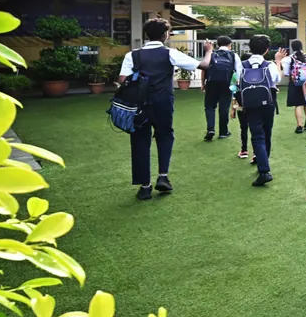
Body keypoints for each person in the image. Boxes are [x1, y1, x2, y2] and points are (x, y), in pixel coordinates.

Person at [118, 18, 213, 200]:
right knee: (164, 135)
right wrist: (208, 52)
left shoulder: (133, 55)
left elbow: (123, 79)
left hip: (138, 103)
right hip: (162, 101)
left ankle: (145, 187)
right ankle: (163, 176)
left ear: (147, 35)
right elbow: (204, 65)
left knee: (139, 141)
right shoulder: (170, 53)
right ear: (165, 35)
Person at [236, 34, 287, 187]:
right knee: (267, 132)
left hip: (250, 104)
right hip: (268, 103)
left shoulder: (242, 64)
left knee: (256, 135)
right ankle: (264, 161)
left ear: (250, 48)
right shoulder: (269, 64)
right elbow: (277, 79)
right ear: (266, 50)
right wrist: (278, 61)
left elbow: (236, 81)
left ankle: (263, 168)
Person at [203, 35, 236, 141]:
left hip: (211, 83)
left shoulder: (211, 54)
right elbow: (238, 71)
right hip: (227, 84)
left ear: (217, 45)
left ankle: (210, 129)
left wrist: (203, 83)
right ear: (230, 45)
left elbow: (204, 68)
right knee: (224, 107)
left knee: (210, 107)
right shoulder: (233, 55)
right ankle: (223, 131)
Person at [282, 39, 306, 134]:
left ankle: (299, 126)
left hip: (295, 83)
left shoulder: (289, 58)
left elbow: (286, 73)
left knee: (298, 104)